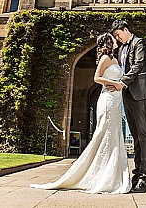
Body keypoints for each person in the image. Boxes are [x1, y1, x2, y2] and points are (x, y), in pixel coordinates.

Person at [30, 33, 131, 194]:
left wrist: (121, 84)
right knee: (105, 133)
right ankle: (98, 175)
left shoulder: (115, 59)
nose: (116, 40)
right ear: (108, 42)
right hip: (107, 100)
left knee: (114, 134)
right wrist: (115, 83)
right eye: (113, 38)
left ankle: (112, 175)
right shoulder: (105, 58)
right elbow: (97, 78)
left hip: (115, 101)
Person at [111, 19, 146, 193]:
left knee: (145, 135)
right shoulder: (121, 48)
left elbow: (138, 64)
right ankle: (137, 174)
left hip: (141, 93)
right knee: (136, 136)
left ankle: (145, 177)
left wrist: (123, 82)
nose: (118, 38)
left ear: (125, 29)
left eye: (118, 34)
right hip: (128, 94)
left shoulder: (139, 43)